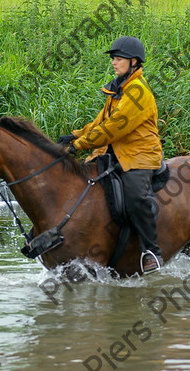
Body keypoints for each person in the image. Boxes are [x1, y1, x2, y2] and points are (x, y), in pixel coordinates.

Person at [57, 36, 164, 274]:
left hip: (139, 156)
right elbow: (100, 122)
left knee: (135, 197)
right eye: (113, 59)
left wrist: (79, 146)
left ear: (134, 62)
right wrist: (74, 136)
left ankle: (151, 252)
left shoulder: (138, 91)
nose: (114, 63)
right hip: (113, 154)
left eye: (118, 59)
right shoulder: (119, 88)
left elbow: (114, 127)